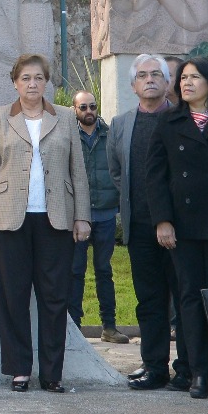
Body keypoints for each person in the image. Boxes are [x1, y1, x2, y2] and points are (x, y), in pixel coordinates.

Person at [0, 54, 91, 392]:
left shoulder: (66, 117)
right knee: (13, 296)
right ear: (15, 83)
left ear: (46, 83)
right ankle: (19, 369)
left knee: (55, 298)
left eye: (38, 78)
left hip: (56, 219)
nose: (32, 84)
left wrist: (81, 216)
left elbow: (78, 173)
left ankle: (52, 373)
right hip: (9, 219)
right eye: (25, 78)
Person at [144, 56, 208, 400]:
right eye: (183, 78)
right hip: (182, 227)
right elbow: (155, 176)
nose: (186, 83)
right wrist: (163, 220)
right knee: (189, 298)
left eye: (194, 77)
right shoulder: (169, 122)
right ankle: (198, 371)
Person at [109, 53, 187, 390]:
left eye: (157, 74)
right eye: (142, 75)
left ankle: (189, 367)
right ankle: (154, 366)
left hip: (179, 228)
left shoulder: (181, 119)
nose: (150, 79)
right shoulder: (121, 124)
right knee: (149, 300)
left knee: (184, 298)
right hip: (139, 227)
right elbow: (116, 172)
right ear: (133, 85)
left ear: (168, 82)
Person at [71, 89, 127, 343]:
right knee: (75, 271)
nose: (89, 111)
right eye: (83, 107)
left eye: (92, 106)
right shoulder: (70, 135)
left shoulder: (109, 135)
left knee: (104, 270)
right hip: (78, 215)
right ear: (75, 110)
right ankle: (73, 327)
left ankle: (109, 326)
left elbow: (118, 169)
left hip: (105, 213)